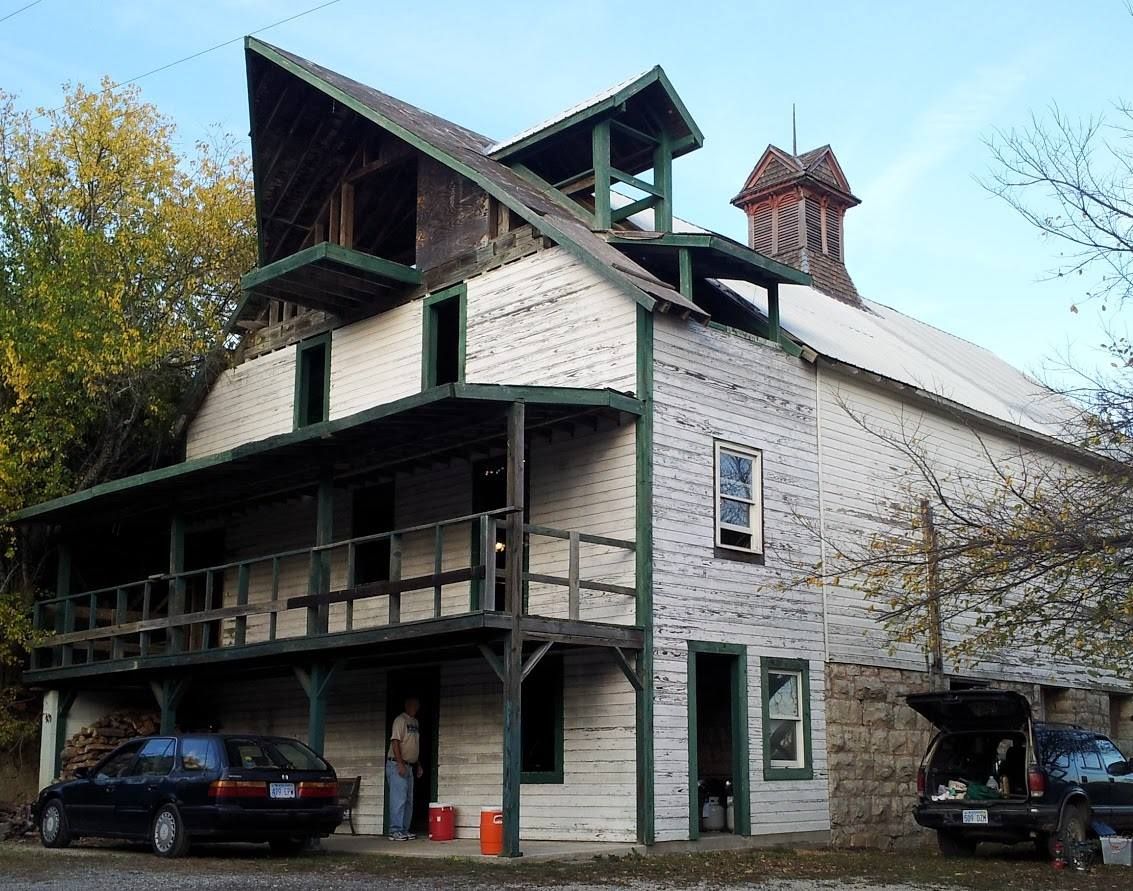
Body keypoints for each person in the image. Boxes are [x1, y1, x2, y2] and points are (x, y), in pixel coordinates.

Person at [386, 695, 423, 841]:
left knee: (408, 800)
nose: (415, 709)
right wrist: (400, 763)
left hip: (410, 765)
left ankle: (404, 829)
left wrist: (418, 763)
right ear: (407, 705)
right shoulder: (400, 720)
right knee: (398, 799)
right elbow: (395, 742)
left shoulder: (415, 722)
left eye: (417, 706)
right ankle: (395, 830)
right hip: (397, 764)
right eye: (413, 705)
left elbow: (412, 745)